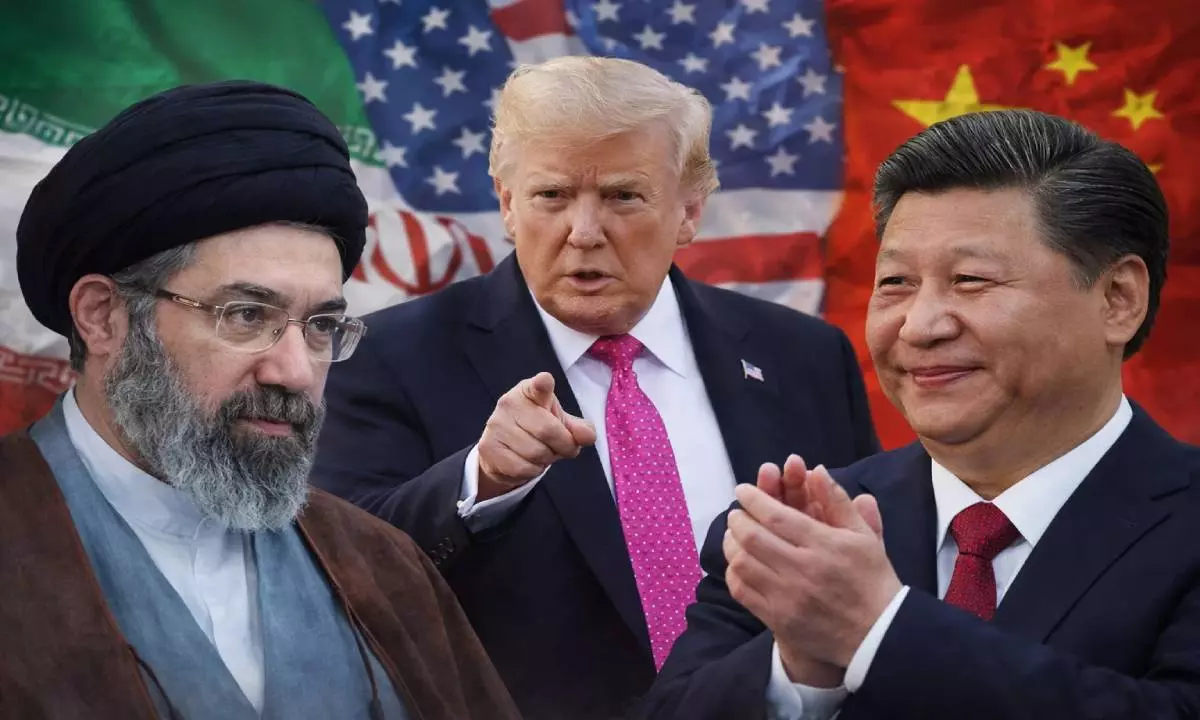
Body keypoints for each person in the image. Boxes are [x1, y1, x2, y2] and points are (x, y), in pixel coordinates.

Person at [312, 55, 880, 720]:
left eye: (622, 196)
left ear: (689, 211)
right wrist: (480, 480)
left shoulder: (804, 357)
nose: (583, 233)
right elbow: (338, 573)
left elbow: (869, 567)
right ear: (507, 204)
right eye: (552, 196)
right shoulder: (388, 358)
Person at [636, 107, 1200, 719]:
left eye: (971, 279)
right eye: (896, 283)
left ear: (1118, 299)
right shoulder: (798, 532)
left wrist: (878, 632)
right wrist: (800, 671)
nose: (920, 326)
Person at [0, 80, 519, 720]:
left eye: (322, 326)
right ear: (103, 316)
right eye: (246, 315)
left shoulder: (381, 563)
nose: (295, 372)